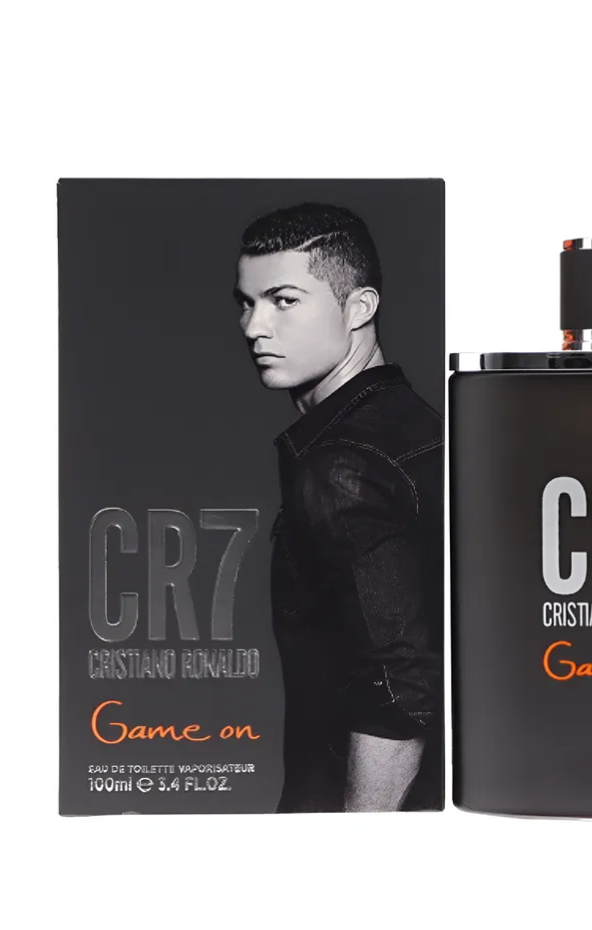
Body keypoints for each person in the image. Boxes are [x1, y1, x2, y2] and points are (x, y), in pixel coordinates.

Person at [234, 202, 443, 811]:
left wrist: (353, 850)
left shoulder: (343, 466)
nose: (254, 327)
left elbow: (397, 696)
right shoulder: (425, 429)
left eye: (283, 300)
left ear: (359, 308)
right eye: (246, 303)